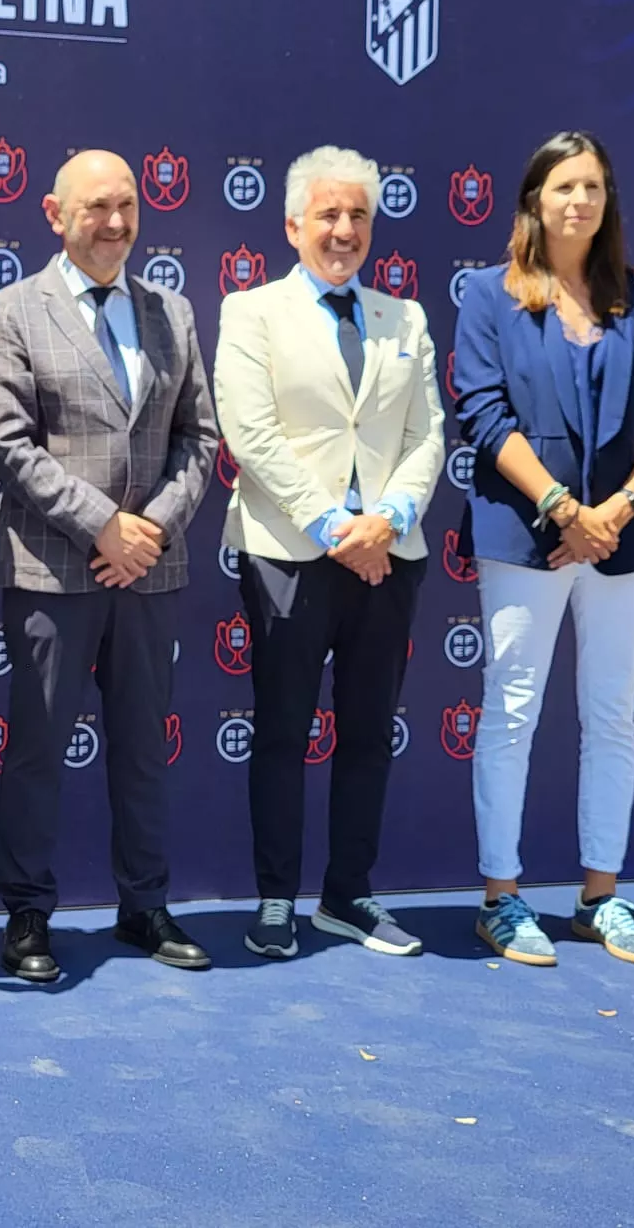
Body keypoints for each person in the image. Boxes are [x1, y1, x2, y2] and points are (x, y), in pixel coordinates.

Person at [0, 150, 219, 981]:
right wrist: (100, 525)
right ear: (54, 213)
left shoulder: (172, 312)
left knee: (142, 747)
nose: (114, 223)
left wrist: (146, 528)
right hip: (53, 568)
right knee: (39, 748)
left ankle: (144, 906)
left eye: (127, 206)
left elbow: (199, 439)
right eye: (95, 209)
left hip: (149, 570)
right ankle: (28, 915)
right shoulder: (15, 310)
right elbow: (7, 444)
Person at [452, 131, 634, 967]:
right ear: (534, 201)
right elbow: (483, 416)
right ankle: (502, 899)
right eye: (563, 187)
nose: (579, 201)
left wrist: (615, 510)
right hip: (524, 536)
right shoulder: (489, 295)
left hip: (622, 539)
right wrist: (562, 509)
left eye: (592, 187)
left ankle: (601, 898)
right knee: (512, 709)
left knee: (612, 715)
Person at [212, 145, 444, 962]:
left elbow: (427, 435)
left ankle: (349, 895)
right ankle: (276, 897)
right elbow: (251, 433)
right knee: (282, 730)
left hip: (389, 552)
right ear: (292, 225)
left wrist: (389, 517)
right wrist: (334, 530)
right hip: (289, 553)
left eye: (359, 217)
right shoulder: (251, 311)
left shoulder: (404, 318)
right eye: (328, 216)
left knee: (369, 732)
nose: (344, 231)